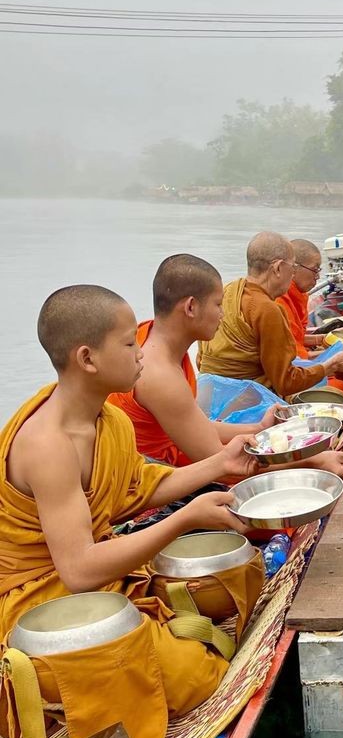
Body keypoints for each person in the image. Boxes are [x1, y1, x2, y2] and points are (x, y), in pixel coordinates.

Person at [0, 285, 258, 715]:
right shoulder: (48, 445)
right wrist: (184, 520)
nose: (141, 352)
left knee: (230, 580)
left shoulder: (109, 418)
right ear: (87, 358)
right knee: (195, 678)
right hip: (36, 602)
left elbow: (141, 487)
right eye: (126, 343)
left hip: (83, 572)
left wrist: (220, 465)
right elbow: (79, 569)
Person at [110, 253, 343, 480]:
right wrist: (314, 461)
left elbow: (197, 425)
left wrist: (259, 428)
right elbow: (227, 467)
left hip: (174, 457)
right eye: (218, 304)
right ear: (190, 307)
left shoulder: (152, 337)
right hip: (154, 476)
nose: (222, 314)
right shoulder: (160, 375)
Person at [197, 232, 343, 397]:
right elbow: (286, 383)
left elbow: (201, 360)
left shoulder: (227, 292)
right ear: (278, 268)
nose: (293, 273)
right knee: (342, 395)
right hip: (248, 401)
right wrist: (331, 366)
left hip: (210, 394)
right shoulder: (267, 309)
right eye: (292, 267)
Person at [276, 239, 343, 395]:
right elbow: (292, 361)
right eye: (315, 270)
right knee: (340, 387)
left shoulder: (298, 295)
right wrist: (333, 361)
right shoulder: (278, 301)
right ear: (294, 268)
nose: (318, 277)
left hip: (298, 364)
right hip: (291, 374)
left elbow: (296, 337)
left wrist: (323, 339)